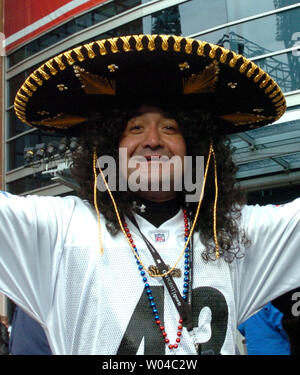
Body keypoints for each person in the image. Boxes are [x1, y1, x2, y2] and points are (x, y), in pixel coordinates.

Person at [1, 34, 299, 355]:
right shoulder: (58, 231)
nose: (153, 140)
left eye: (170, 128)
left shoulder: (232, 235)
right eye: (135, 128)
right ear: (109, 149)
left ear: (194, 149)